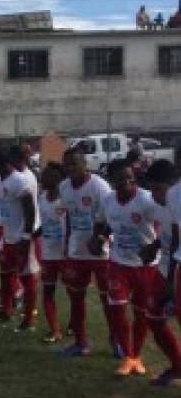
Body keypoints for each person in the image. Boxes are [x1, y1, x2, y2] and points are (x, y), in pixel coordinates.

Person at [90, 158, 156, 376]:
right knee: (117, 307)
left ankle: (136, 355)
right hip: (119, 262)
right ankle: (127, 355)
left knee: (141, 313)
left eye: (130, 177)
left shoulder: (147, 200)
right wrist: (99, 237)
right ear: (113, 180)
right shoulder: (108, 201)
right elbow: (102, 222)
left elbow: (165, 225)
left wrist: (155, 247)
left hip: (146, 266)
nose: (128, 181)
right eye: (121, 178)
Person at [59, 147, 116, 358]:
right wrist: (66, 246)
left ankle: (116, 340)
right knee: (75, 297)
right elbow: (68, 218)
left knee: (108, 299)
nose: (70, 168)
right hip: (76, 251)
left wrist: (99, 240)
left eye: (74, 164)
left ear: (85, 164)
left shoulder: (100, 187)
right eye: (67, 165)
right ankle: (81, 343)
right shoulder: (64, 187)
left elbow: (110, 217)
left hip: (100, 252)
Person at [141, 160, 181, 387]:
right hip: (165, 266)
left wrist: (170, 284)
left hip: (174, 270)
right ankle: (177, 366)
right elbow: (167, 236)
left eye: (158, 189)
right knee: (153, 317)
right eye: (152, 188)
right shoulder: (158, 205)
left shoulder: (177, 200)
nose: (154, 195)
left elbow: (178, 241)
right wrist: (154, 246)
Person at [0, 148, 39, 331]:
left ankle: (29, 319)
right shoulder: (0, 180)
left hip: (21, 238)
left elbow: (30, 210)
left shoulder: (19, 180)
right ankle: (6, 310)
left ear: (2, 163)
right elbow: (4, 212)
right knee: (5, 274)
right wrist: (0, 238)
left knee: (27, 278)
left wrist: (26, 237)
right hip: (8, 236)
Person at [38, 162, 66, 343]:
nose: (42, 178)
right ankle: (54, 330)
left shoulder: (66, 199)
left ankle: (74, 324)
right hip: (48, 252)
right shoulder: (42, 197)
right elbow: (45, 223)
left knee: (74, 293)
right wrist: (30, 236)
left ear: (56, 178)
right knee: (48, 291)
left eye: (46, 175)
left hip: (66, 253)